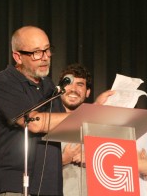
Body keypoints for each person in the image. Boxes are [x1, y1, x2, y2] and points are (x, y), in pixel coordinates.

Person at [0, 26, 112, 196]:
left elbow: (65, 125)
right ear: (18, 56)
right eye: (37, 52)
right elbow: (33, 123)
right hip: (16, 185)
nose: (45, 57)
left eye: (47, 50)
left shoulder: (49, 86)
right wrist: (92, 112)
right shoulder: (5, 82)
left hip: (49, 185)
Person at [59, 64, 91, 196]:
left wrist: (93, 159)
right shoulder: (43, 122)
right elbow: (31, 167)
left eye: (80, 84)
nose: (73, 89)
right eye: (69, 83)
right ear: (60, 89)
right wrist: (63, 159)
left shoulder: (97, 125)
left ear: (87, 92)